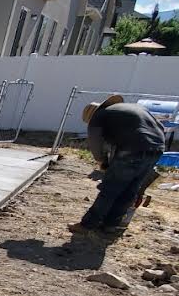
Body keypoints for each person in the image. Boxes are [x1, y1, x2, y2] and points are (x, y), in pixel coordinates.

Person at [69, 95, 165, 234]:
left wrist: (102, 161)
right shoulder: (132, 110)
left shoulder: (100, 117)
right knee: (130, 190)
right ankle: (110, 225)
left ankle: (87, 225)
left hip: (133, 149)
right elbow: (160, 127)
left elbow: (95, 143)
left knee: (110, 189)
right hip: (157, 149)